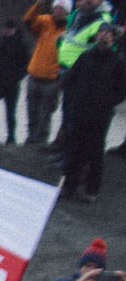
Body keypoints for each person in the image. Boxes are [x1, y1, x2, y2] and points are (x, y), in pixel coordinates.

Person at [55, 23, 125, 199]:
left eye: (108, 34)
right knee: (74, 149)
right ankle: (69, 186)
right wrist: (70, 92)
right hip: (80, 110)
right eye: (101, 32)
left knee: (95, 152)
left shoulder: (117, 62)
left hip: (100, 115)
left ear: (113, 38)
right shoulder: (85, 57)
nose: (104, 36)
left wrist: (107, 102)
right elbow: (70, 78)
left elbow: (122, 90)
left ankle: (91, 190)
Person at [27, 0, 71, 145]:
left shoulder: (69, 29)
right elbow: (28, 21)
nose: (58, 12)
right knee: (31, 109)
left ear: (67, 13)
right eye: (56, 8)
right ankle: (31, 137)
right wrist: (38, 6)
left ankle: (41, 140)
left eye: (61, 9)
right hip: (34, 74)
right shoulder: (45, 21)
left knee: (46, 113)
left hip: (52, 79)